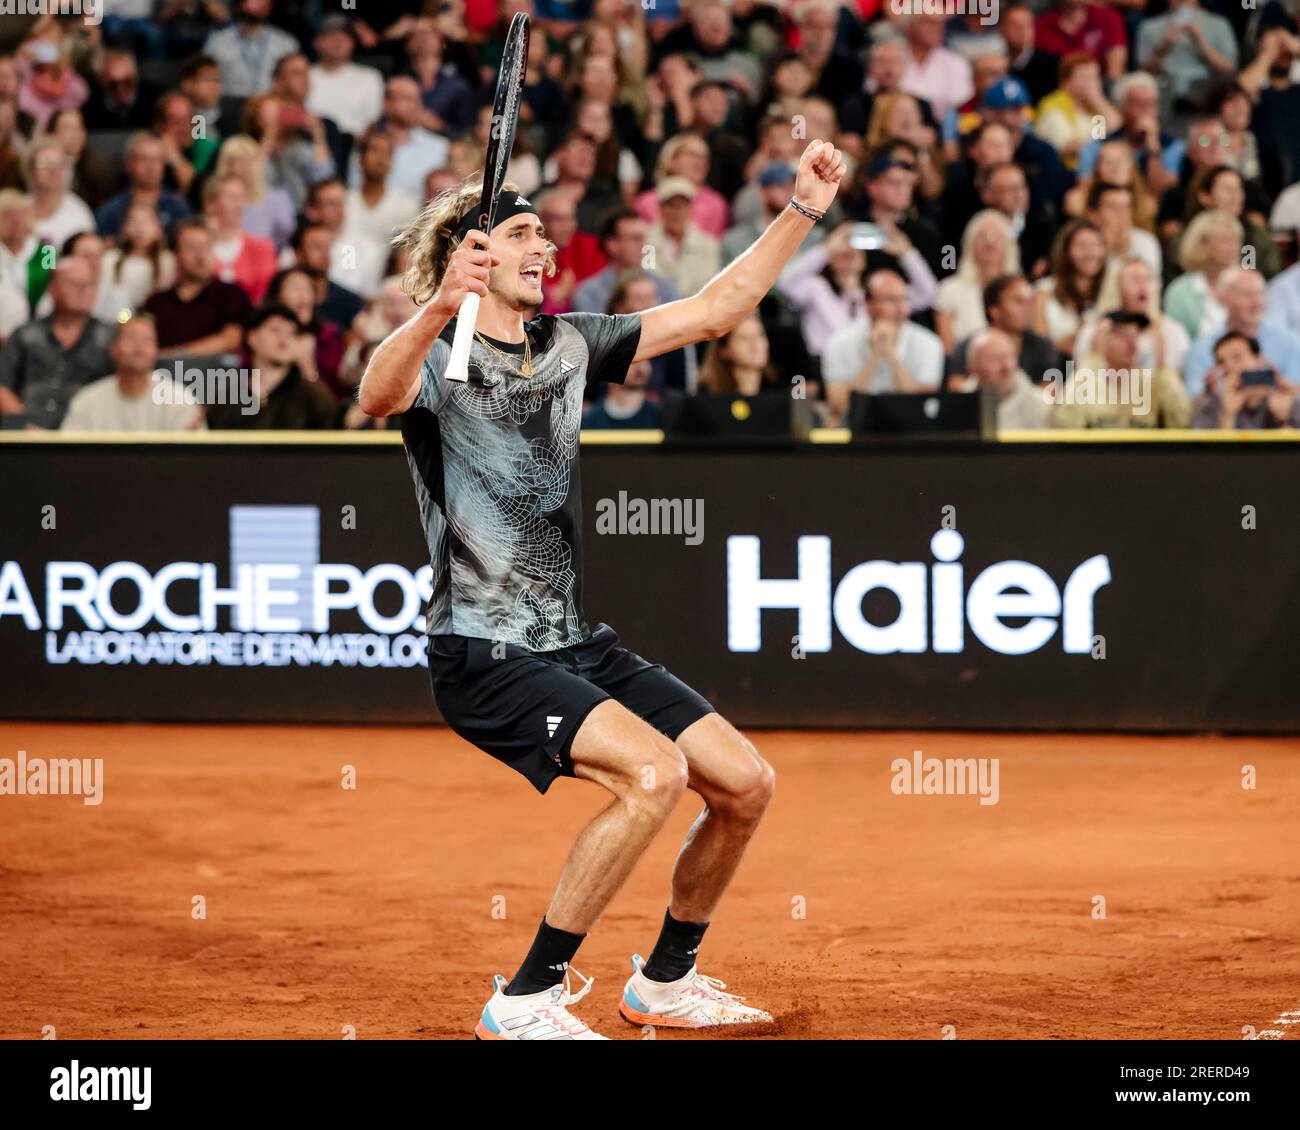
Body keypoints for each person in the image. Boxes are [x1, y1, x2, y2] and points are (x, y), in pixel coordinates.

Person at [356, 138, 846, 1040]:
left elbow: (713, 310)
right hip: (483, 651)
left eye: (546, 233)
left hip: (573, 642)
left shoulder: (572, 343)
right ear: (476, 254)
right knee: (654, 774)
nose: (545, 247)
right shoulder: (443, 354)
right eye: (523, 232)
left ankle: (663, 981)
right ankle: (526, 997)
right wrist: (437, 307)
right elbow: (377, 396)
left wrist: (804, 207)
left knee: (743, 785)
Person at [0, 258, 114, 428]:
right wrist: (23, 424)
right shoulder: (25, 335)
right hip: (27, 436)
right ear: (52, 288)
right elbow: (2, 385)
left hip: (89, 436)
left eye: (90, 285)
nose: (84, 291)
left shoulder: (111, 338)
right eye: (74, 284)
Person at [821, 266, 945, 422]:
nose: (901, 308)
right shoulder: (838, 343)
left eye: (905, 299)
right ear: (868, 305)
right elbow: (839, 407)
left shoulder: (929, 343)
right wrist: (876, 357)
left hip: (910, 431)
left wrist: (892, 356)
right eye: (891, 300)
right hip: (855, 430)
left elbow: (923, 407)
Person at [206, 303, 340, 429]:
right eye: (275, 330)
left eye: (292, 333)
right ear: (252, 338)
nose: (284, 340)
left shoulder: (315, 399)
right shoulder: (224, 397)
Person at [61, 315, 204, 432]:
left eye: (147, 340)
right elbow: (69, 455)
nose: (139, 345)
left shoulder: (179, 399)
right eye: (131, 337)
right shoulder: (87, 401)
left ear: (156, 351)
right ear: (113, 350)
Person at [1055, 312, 1191, 429]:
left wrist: (1162, 367)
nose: (1132, 343)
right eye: (1123, 336)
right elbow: (1065, 423)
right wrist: (1093, 359)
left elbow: (1182, 420)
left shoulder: (1153, 383)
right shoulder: (1089, 384)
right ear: (1104, 341)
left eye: (1136, 335)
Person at [143, 219, 253, 358]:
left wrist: (174, 356)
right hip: (161, 376)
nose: (201, 256)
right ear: (175, 255)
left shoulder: (232, 294)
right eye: (192, 248)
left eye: (207, 247)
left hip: (215, 375)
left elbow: (231, 340)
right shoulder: (157, 302)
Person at [1182, 268, 1300, 395]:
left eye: (1260, 294)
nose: (1256, 302)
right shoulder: (1203, 349)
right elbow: (1194, 401)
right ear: (1223, 300)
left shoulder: (1291, 343)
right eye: (1247, 295)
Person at [946, 273, 1066, 382]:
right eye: (1019, 301)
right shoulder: (969, 346)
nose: (1028, 308)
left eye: (1030, 302)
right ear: (994, 310)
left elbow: (1049, 395)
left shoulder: (1043, 347)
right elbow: (957, 388)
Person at [935, 211, 1020, 352]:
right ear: (970, 244)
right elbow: (948, 349)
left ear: (1009, 246)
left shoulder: (1022, 291)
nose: (989, 242)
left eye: (996, 236)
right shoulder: (949, 289)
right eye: (982, 237)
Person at [572, 209, 680, 314]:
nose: (643, 244)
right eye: (635, 238)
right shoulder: (589, 294)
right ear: (612, 244)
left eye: (644, 238)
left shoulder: (665, 288)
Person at [1191, 330, 1300, 429]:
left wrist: (1283, 420)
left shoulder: (1285, 397)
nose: (1229, 366)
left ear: (1258, 360)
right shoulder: (1211, 405)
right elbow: (1204, 449)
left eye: (1237, 357)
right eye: (1221, 362)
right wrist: (1227, 416)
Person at [94, 133, 193, 241]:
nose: (151, 167)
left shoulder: (178, 208)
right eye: (143, 159)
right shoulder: (111, 211)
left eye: (157, 160)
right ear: (129, 164)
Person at [1162, 209, 1242, 341]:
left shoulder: (1249, 283)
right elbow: (1176, 341)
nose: (1233, 247)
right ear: (1202, 245)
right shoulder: (1179, 292)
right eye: (1225, 240)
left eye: (1236, 240)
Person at [1033, 219, 1106, 356]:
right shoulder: (1043, 292)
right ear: (1066, 251)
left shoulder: (1111, 291)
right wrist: (1082, 335)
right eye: (1082, 246)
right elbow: (1040, 350)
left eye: (1096, 245)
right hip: (1058, 371)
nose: (1090, 253)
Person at [955, 326, 1051, 430]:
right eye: (995, 359)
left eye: (1010, 357)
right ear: (972, 367)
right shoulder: (957, 407)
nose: (1007, 367)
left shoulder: (1040, 406)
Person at [308, 15, 385, 139]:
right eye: (331, 35)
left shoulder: (370, 77)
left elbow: (373, 122)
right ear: (317, 42)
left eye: (346, 36)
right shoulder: (304, 76)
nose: (339, 41)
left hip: (353, 149)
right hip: (310, 146)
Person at [204, 0, 300, 100]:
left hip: (273, 104)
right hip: (229, 105)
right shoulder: (217, 44)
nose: (260, 3)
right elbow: (207, 82)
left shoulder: (286, 44)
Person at [645, 177, 721, 300]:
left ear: (691, 208)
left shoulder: (708, 245)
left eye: (683, 205)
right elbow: (647, 276)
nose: (677, 212)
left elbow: (708, 284)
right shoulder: (646, 243)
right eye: (672, 205)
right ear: (661, 208)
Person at [24, 137, 94, 251]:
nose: (53, 170)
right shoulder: (18, 207)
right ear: (31, 170)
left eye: (60, 164)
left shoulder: (79, 213)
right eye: (45, 164)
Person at [697, 313, 783, 396]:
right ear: (724, 350)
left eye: (760, 335)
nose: (756, 345)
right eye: (744, 338)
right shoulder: (707, 398)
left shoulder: (782, 392)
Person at [581, 358, 661, 430]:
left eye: (646, 358)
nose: (641, 366)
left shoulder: (661, 417)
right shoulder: (589, 421)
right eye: (632, 359)